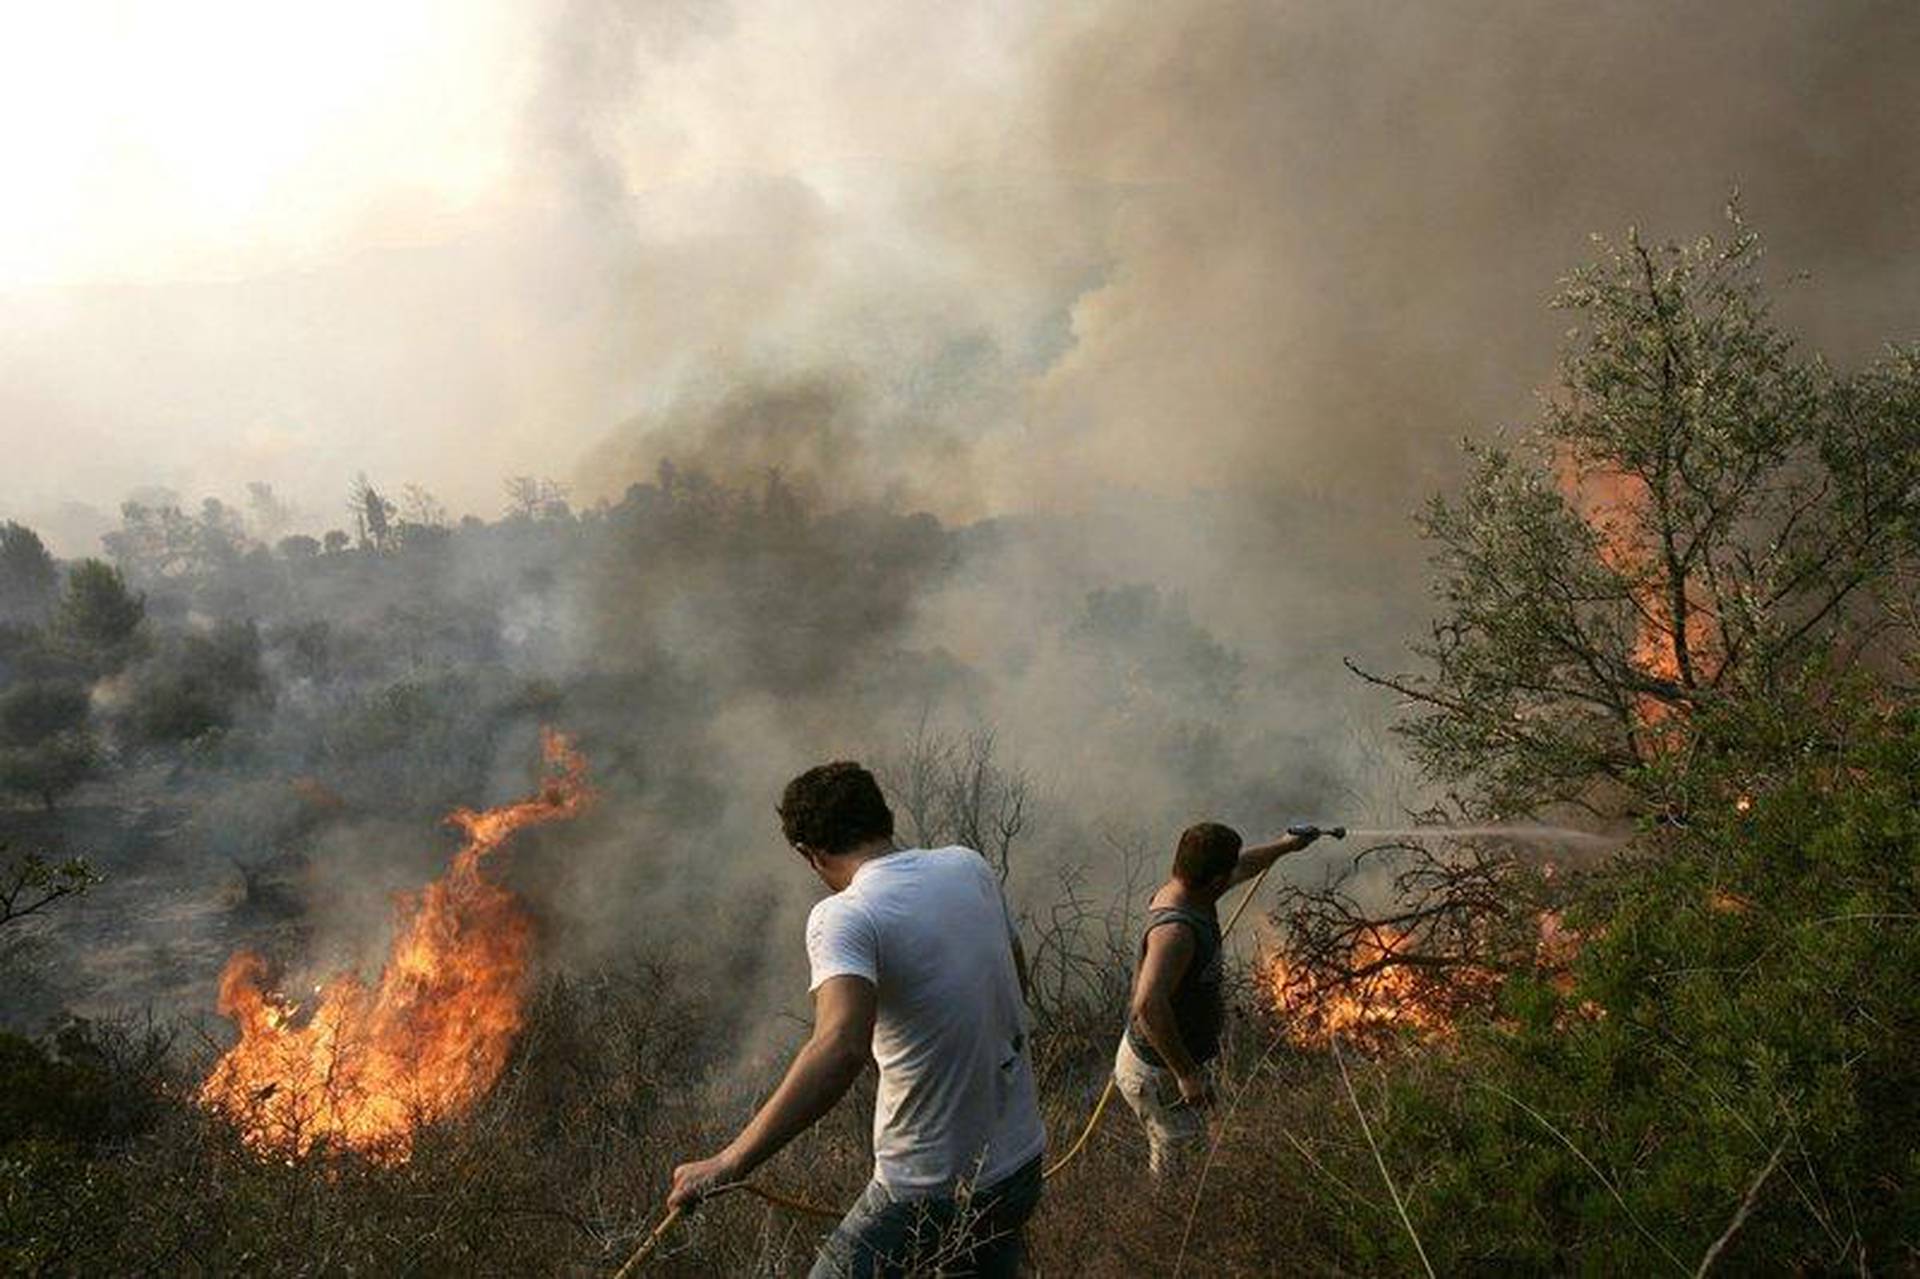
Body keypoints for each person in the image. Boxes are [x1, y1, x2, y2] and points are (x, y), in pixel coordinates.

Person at [669, 761, 1046, 1278]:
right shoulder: (968, 865)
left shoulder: (846, 914)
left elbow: (840, 1048)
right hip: (1021, 1163)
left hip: (926, 1187)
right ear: (883, 816)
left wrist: (730, 1163)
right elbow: (1012, 969)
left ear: (810, 854)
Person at [1114, 820, 1321, 1178]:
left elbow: (1242, 866)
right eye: (1228, 874)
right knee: (1179, 1162)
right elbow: (1148, 1005)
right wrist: (1186, 1073)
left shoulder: (1190, 888)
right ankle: (1169, 1229)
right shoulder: (1176, 932)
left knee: (1185, 1151)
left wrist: (1285, 846)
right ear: (1214, 881)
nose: (1235, 875)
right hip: (1158, 1070)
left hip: (1165, 1062)